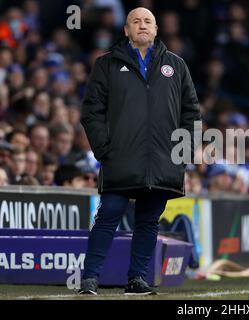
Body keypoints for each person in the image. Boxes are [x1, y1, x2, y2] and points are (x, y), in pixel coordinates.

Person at [79, 7, 201, 295]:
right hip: (120, 158)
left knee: (148, 221)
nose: (142, 25)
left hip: (162, 161)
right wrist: (103, 148)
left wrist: (183, 153)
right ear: (126, 30)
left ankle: (136, 279)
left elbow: (191, 114)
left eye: (148, 21)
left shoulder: (177, 65)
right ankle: (89, 278)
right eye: (136, 21)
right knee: (109, 213)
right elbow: (91, 111)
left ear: (157, 29)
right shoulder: (106, 64)